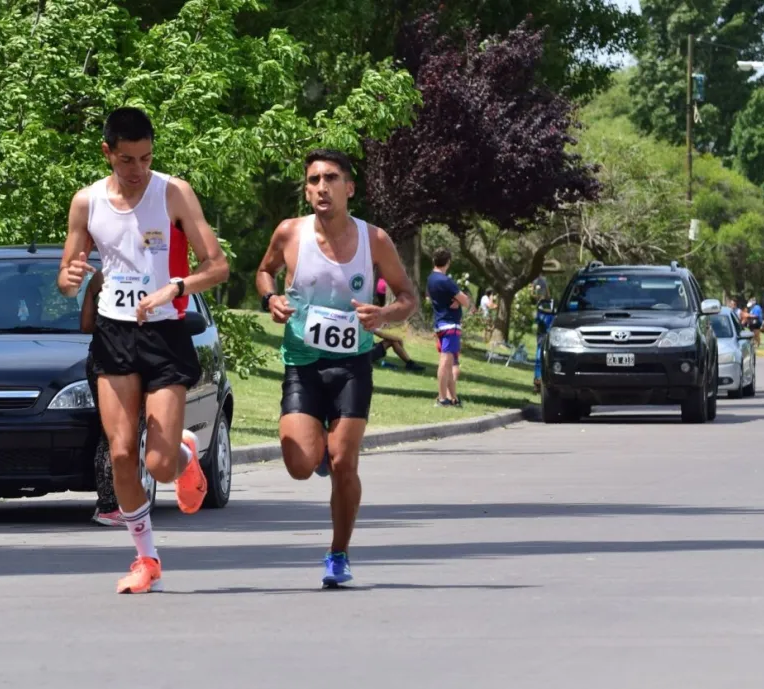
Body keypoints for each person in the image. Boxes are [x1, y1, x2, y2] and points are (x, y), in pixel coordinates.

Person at [58, 106, 229, 594]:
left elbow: (217, 267)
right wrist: (69, 280)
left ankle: (184, 452)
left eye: (146, 158)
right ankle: (146, 558)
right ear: (107, 152)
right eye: (127, 160)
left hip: (164, 332)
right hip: (113, 333)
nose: (137, 171)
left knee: (157, 463)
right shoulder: (86, 202)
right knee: (120, 455)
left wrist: (176, 288)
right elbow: (70, 275)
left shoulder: (172, 192)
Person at [255, 148, 417, 588]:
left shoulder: (374, 240)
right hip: (303, 362)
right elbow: (264, 272)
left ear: (350, 187)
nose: (321, 187)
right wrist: (271, 299)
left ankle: (338, 553)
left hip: (351, 364)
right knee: (299, 465)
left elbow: (407, 298)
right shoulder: (290, 233)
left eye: (330, 178)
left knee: (345, 462)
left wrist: (383, 316)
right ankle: (318, 451)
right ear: (306, 191)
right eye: (313, 180)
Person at [77, 270, 123, 527]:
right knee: (127, 431)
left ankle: (108, 504)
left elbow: (85, 325)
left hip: (99, 355)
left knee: (109, 433)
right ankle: (116, 502)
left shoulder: (97, 278)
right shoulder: (142, 272)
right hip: (127, 357)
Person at [427, 248, 469, 407]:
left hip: (440, 323)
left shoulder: (431, 279)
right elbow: (466, 301)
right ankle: (442, 398)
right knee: (445, 362)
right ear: (448, 262)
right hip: (450, 324)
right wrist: (460, 300)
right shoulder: (445, 280)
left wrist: (455, 300)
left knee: (450, 361)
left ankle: (453, 398)